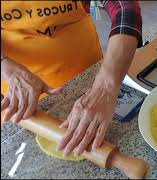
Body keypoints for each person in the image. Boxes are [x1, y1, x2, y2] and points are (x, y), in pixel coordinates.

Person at [1, 1, 142, 157]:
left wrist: (105, 88)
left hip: (88, 76)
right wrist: (6, 67)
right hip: (19, 88)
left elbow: (126, 8)